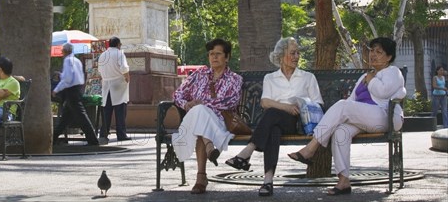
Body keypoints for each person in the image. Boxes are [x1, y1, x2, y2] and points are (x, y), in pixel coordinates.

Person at [288, 37, 406, 196]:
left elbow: (383, 92)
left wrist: (371, 80)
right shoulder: (364, 76)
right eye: (372, 51)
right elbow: (352, 102)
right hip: (364, 118)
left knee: (343, 105)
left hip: (386, 117)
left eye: (379, 52)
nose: (373, 55)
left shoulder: (393, 72)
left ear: (389, 57)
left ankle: (311, 148)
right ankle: (343, 181)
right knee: (340, 131)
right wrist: (368, 78)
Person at [225, 37, 323, 197]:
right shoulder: (270, 78)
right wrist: (286, 107)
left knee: (272, 114)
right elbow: (264, 102)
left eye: (298, 53)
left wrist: (301, 105)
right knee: (274, 129)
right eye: (292, 53)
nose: (297, 56)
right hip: (275, 121)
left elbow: (318, 104)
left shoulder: (307, 77)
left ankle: (246, 153)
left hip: (297, 122)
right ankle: (268, 181)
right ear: (280, 55)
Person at [172, 38, 243, 194]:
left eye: (218, 54)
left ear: (227, 57)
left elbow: (230, 102)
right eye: (211, 54)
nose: (214, 57)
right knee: (199, 114)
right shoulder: (199, 74)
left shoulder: (235, 79)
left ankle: (201, 177)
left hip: (219, 121)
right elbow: (178, 94)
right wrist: (186, 104)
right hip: (196, 119)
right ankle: (209, 146)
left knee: (200, 114)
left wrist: (201, 105)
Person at [52, 43, 101, 146]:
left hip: (71, 91)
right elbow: (73, 76)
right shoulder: (76, 60)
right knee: (65, 118)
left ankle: (93, 140)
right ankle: (53, 138)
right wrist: (62, 75)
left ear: (64, 51)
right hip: (77, 89)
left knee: (81, 116)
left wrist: (56, 89)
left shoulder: (67, 60)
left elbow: (68, 79)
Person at [98, 37, 131, 143]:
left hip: (106, 84)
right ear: (118, 44)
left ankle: (103, 133)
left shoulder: (103, 55)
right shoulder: (119, 53)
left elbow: (99, 70)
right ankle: (121, 134)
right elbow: (124, 68)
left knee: (106, 111)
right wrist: (127, 78)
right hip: (118, 84)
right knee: (120, 110)